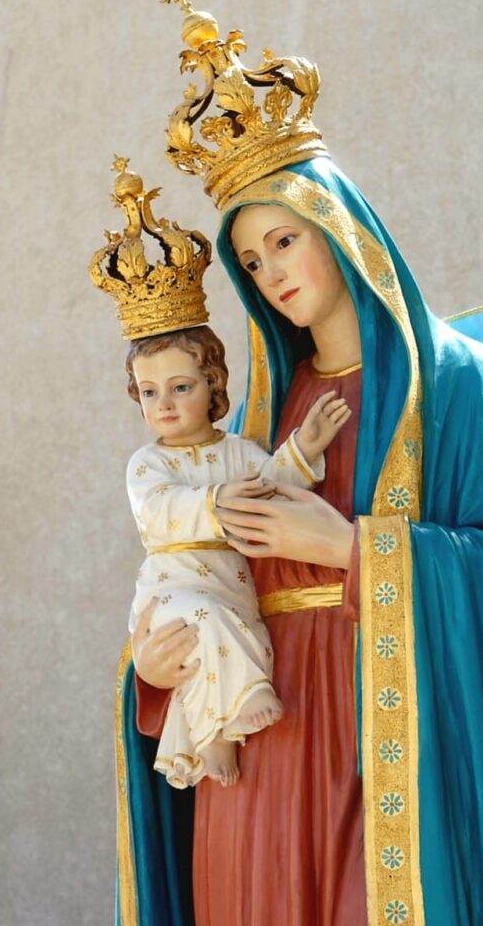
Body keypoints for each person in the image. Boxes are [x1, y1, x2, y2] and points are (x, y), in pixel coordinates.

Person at [115, 0, 483, 926]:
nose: (271, 272)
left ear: (340, 229)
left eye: (285, 240)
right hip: (258, 736)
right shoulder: (255, 418)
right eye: (251, 261)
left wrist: (347, 547)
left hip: (384, 730)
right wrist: (150, 677)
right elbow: (193, 569)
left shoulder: (457, 384)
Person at [124, 326, 351, 788]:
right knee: (199, 623)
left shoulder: (237, 453)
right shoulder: (148, 464)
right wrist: (216, 501)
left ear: (213, 386)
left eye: (180, 387)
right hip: (173, 582)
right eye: (149, 392)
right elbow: (158, 509)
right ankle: (216, 730)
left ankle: (223, 721)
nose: (163, 404)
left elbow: (270, 486)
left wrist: (304, 448)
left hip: (229, 580)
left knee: (244, 633)